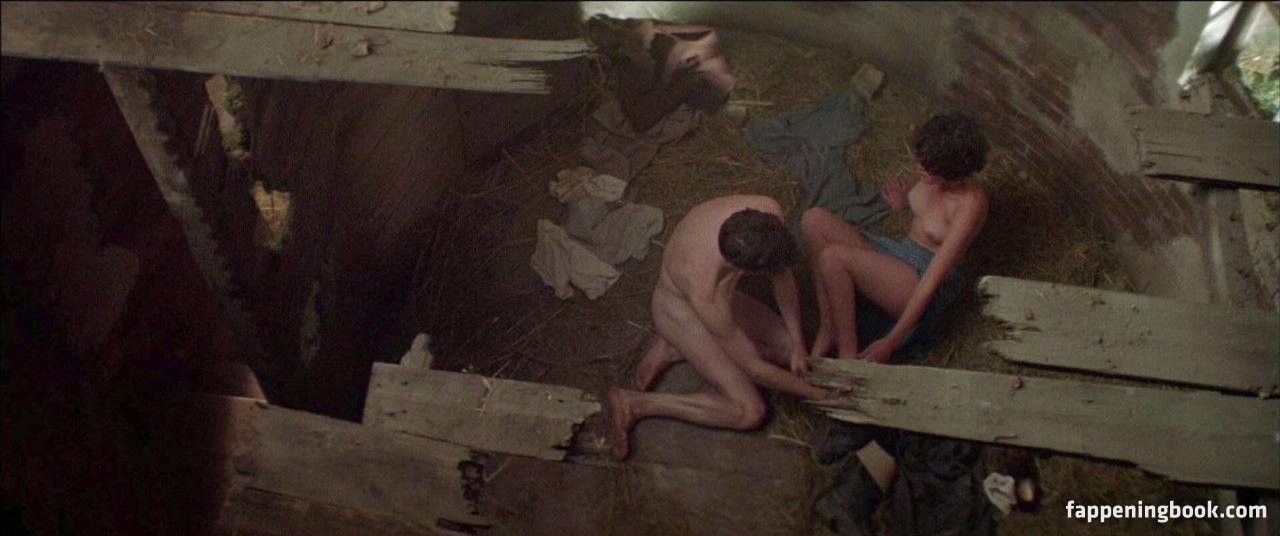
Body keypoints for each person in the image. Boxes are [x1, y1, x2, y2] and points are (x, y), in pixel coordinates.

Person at [608, 195, 831, 460]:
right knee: (749, 412)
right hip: (679, 309)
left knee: (786, 349)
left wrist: (798, 344)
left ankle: (675, 346)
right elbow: (754, 368)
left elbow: (781, 272)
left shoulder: (767, 211)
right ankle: (636, 403)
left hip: (713, 295)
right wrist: (816, 393)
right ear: (744, 270)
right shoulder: (708, 295)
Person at [802, 113, 989, 363]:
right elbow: (921, 192)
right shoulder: (929, 165)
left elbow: (933, 279)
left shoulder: (970, 205)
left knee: (832, 258)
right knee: (813, 219)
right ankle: (829, 327)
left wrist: (890, 342)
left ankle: (848, 357)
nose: (919, 169)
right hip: (900, 252)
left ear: (952, 172)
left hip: (923, 277)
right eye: (920, 161)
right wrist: (902, 201)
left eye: (928, 169)